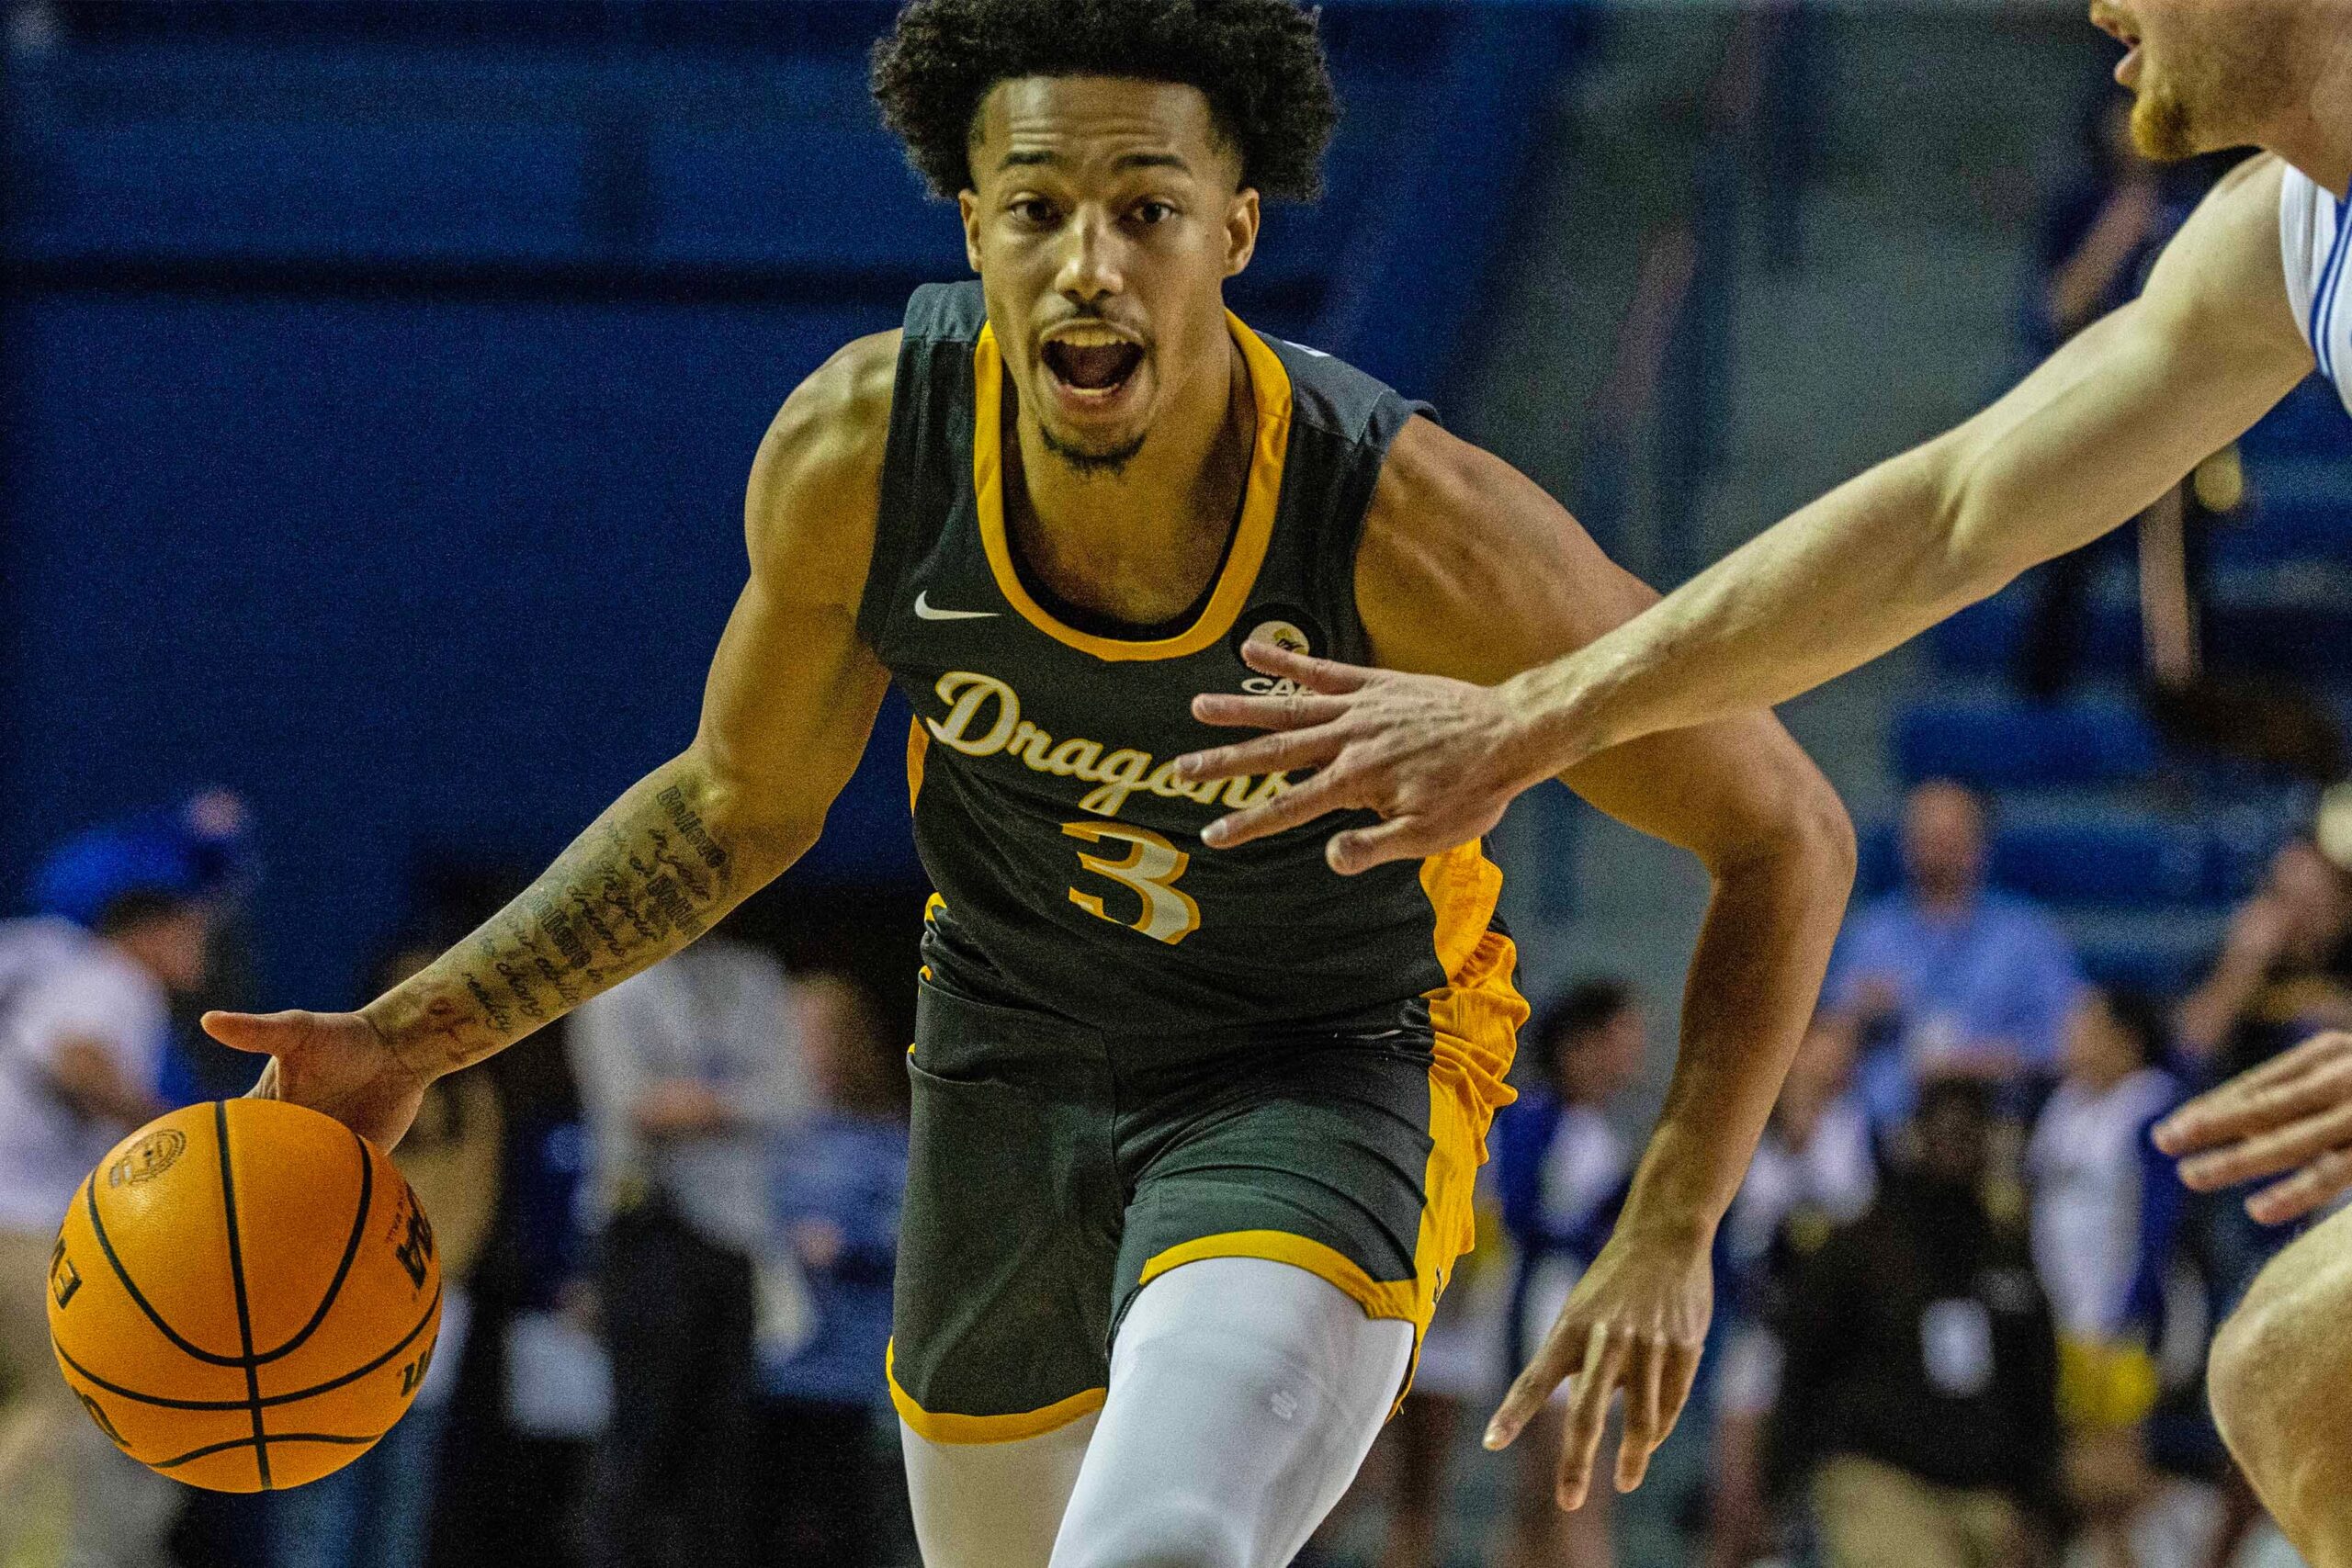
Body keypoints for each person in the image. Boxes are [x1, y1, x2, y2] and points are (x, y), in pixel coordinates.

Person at [198, 2, 1858, 1561]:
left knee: (1158, 1538)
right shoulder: (865, 454)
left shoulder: (1409, 529)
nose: (1090, 264)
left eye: (1147, 209)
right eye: (1038, 208)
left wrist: (1673, 1214)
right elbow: (734, 805)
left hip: (1321, 1057)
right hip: (1007, 1066)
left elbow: (1780, 827)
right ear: (973, 226)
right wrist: (416, 1032)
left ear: (1240, 228)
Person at [1165, 1, 2352, 1551]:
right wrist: (1542, 712)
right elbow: (1952, 513)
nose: (2098, 6)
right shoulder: (2289, 229)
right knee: (2300, 1382)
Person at [566, 931, 807, 1568]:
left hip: (735, 1236)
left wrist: (698, 1103)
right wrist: (735, 1102)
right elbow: (635, 1106)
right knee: (638, 1438)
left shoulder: (756, 972)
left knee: (722, 1451)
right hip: (647, 1232)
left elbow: (792, 1096)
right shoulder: (617, 974)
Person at [268, 943, 504, 1568]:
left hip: (432, 1302)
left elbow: (476, 1199)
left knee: (405, 1478)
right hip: (333, 1306)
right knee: (321, 1476)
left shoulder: (473, 1093)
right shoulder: (337, 1077)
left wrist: (415, 1277)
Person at [1770, 1077, 2064, 1568]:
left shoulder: (2007, 1253)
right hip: (1881, 1480)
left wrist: (2038, 1503)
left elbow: (2036, 1379)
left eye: (1969, 1133)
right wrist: (1786, 1476)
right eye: (1943, 1132)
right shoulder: (1861, 1246)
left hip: (1987, 1498)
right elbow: (1803, 1364)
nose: (1955, 1146)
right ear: (1916, 1138)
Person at [0, 884, 210, 1567]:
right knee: (70, 1400)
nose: (202, 944)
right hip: (21, 1221)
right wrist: (167, 1132)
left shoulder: (62, 965)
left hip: (19, 1212)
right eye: (189, 927)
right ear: (147, 930)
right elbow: (74, 1056)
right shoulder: (114, 978)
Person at [752, 973, 910, 1568]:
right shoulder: (766, 1135)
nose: (802, 1050)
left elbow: (916, 1233)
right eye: (791, 1034)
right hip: (773, 1373)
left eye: (817, 1035)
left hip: (856, 1376)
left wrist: (849, 1243)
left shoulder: (888, 1136)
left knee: (856, 1532)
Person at [1490, 980, 1649, 1568]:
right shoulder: (1536, 1116)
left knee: (1546, 1498)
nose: (1634, 1052)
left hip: (1582, 1309)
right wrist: (1593, 1237)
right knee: (1570, 1491)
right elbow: (1519, 1211)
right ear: (1579, 1045)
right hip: (1548, 1311)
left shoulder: (1599, 1128)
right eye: (1622, 1036)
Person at [1819, 781, 2085, 1133]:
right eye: (1923, 837)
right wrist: (1858, 1014)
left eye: (1948, 838)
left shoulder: (2028, 936)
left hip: (1998, 1124)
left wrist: (1989, 1061)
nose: (1934, 851)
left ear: (1979, 846)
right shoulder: (1871, 934)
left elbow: (2072, 1038)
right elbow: (1826, 1036)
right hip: (1886, 1132)